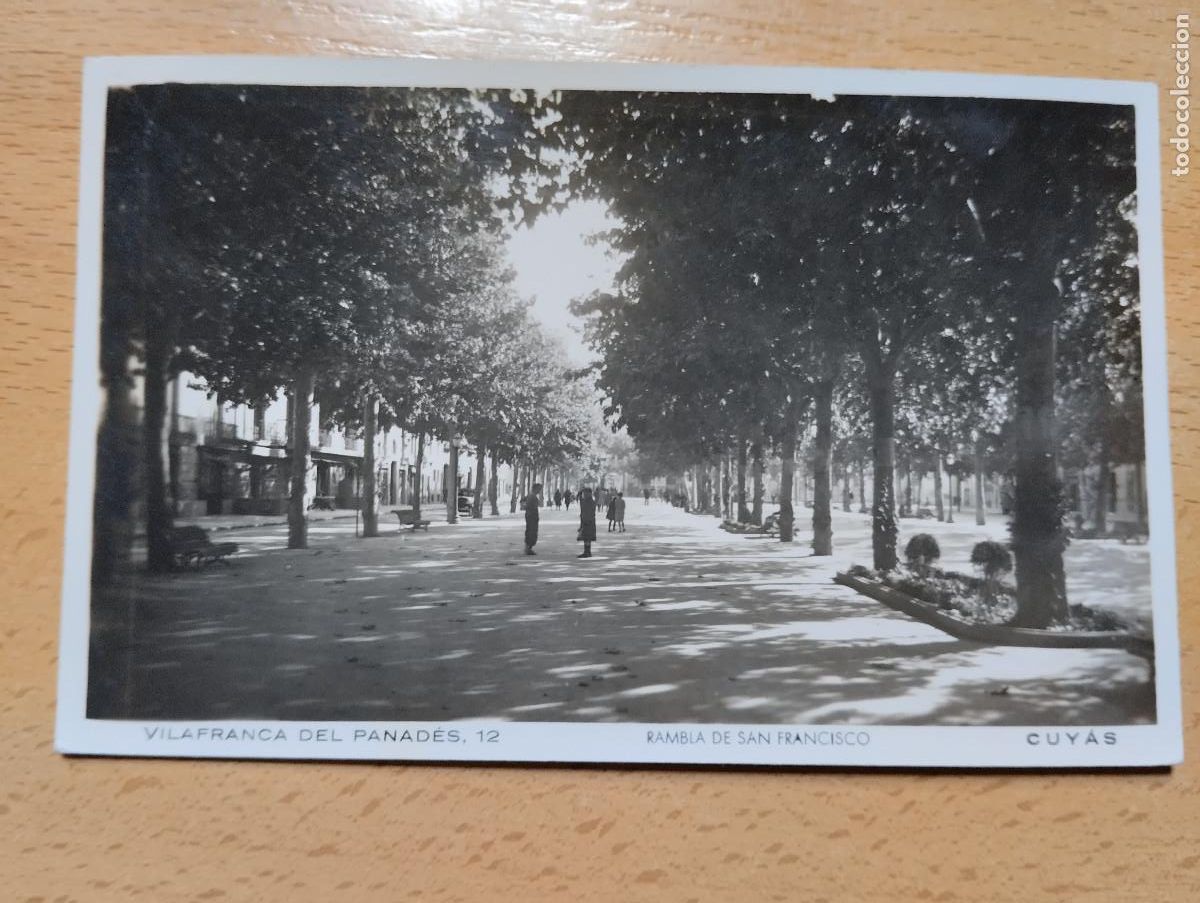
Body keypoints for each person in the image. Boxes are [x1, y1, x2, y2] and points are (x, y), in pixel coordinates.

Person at [577, 487, 597, 558]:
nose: (584, 495)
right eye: (584, 493)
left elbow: (589, 512)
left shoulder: (590, 502)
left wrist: (586, 520)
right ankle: (587, 551)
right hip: (585, 521)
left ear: (589, 494)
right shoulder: (586, 501)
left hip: (588, 521)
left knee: (587, 538)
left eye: (585, 493)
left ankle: (587, 552)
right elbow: (580, 501)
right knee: (586, 538)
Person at [523, 483, 542, 555]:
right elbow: (530, 506)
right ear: (535, 489)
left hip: (531, 516)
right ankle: (528, 548)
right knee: (531, 532)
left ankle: (528, 547)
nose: (539, 491)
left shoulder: (531, 496)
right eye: (539, 489)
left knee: (530, 531)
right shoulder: (532, 496)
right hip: (531, 516)